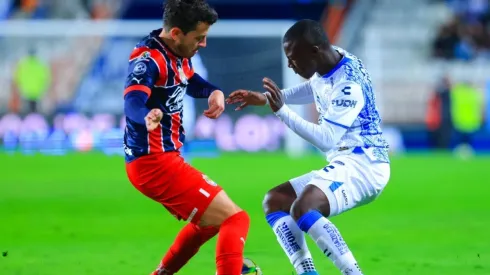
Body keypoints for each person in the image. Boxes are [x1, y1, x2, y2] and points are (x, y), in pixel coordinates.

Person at [226, 19, 390, 275]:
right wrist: (268, 98)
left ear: (314, 50)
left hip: (365, 165)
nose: (290, 65)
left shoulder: (349, 86)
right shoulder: (330, 60)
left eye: (293, 58)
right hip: (346, 162)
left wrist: (282, 111)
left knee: (304, 208)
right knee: (276, 200)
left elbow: (326, 139)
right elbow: (314, 88)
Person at [123, 1, 250, 274]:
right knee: (236, 219)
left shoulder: (176, 51)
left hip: (162, 159)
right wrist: (144, 116)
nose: (203, 44)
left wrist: (213, 91)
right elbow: (132, 99)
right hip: (153, 163)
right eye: (199, 38)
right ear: (177, 33)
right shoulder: (148, 60)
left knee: (211, 221)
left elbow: (189, 79)